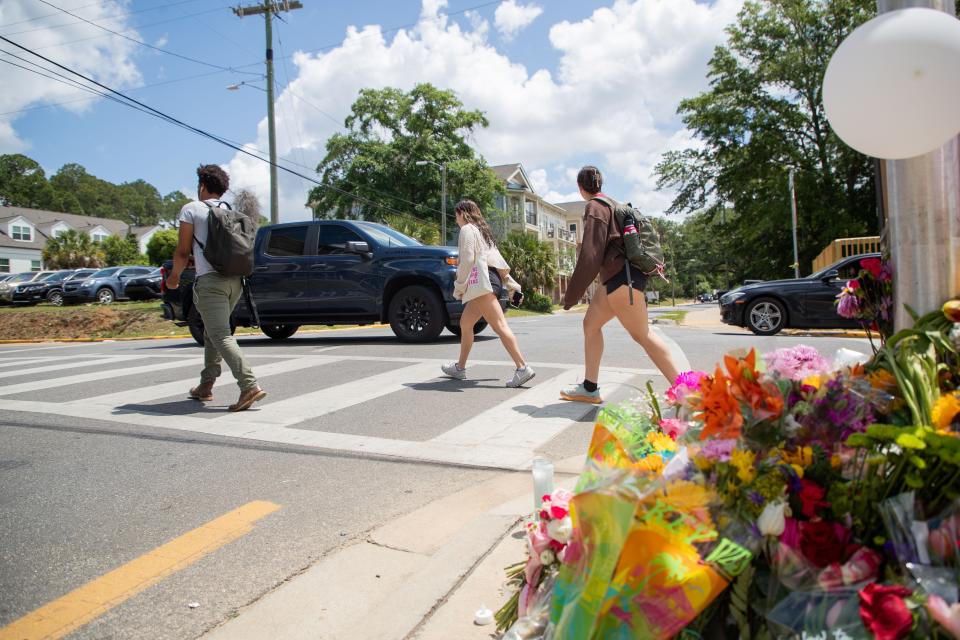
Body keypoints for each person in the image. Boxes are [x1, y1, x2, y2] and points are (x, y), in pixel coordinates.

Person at [560, 166, 679, 404]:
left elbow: (590, 255)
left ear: (581, 188)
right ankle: (589, 387)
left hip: (622, 279)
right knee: (590, 324)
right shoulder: (613, 204)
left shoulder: (595, 207)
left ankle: (688, 392)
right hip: (616, 280)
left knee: (644, 335)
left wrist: (571, 295)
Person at [166, 164, 266, 412]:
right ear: (223, 190)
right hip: (236, 282)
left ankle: (249, 385)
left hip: (211, 283)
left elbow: (182, 251)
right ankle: (206, 385)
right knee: (212, 333)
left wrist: (174, 278)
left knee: (220, 334)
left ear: (202, 185)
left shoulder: (192, 209)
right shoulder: (229, 211)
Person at [441, 199, 536, 388]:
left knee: (500, 325)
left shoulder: (468, 229)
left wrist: (459, 287)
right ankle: (460, 368)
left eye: (456, 216)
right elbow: (499, 265)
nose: (456, 220)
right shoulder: (484, 233)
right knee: (465, 323)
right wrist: (511, 285)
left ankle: (522, 367)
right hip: (488, 281)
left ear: (462, 213)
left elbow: (467, 260)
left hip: (481, 283)